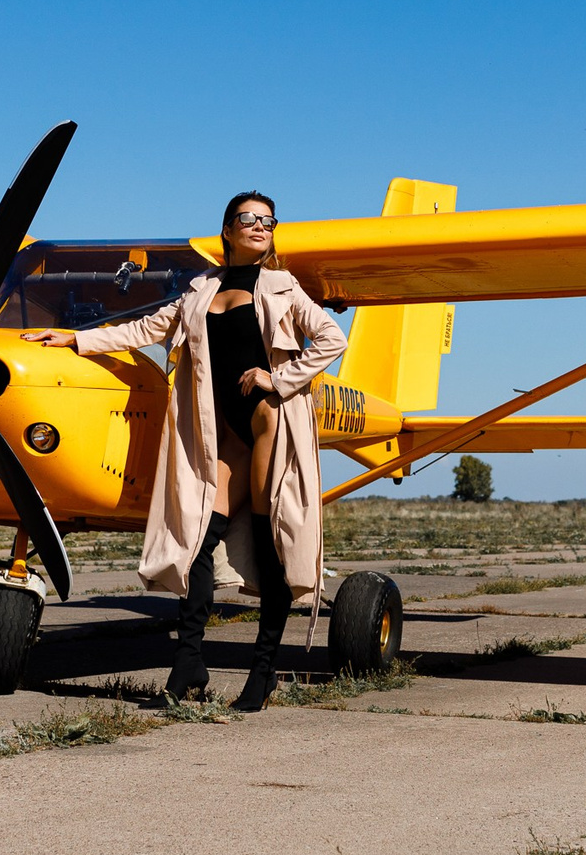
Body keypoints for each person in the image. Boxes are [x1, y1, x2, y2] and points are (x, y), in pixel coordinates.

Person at [24, 192, 346, 710]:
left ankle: (261, 672)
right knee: (198, 543)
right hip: (220, 433)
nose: (260, 227)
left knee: (270, 547)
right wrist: (75, 340)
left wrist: (278, 378)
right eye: (249, 219)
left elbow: (332, 338)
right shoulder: (200, 289)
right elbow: (146, 328)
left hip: (266, 425)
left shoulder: (283, 288)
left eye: (268, 221)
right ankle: (189, 663)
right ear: (226, 229)